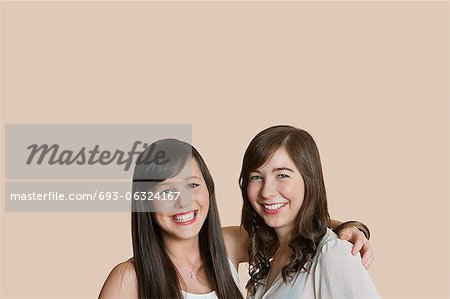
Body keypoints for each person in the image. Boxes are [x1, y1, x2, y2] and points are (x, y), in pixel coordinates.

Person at [99, 138, 374, 299]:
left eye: (192, 185)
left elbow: (290, 223)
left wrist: (348, 227)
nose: (182, 201)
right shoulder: (128, 279)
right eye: (165, 190)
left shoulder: (225, 246)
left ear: (209, 189)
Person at [239, 125, 380, 298]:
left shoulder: (333, 253)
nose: (266, 192)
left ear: (310, 179)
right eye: (256, 177)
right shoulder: (272, 257)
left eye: (282, 175)